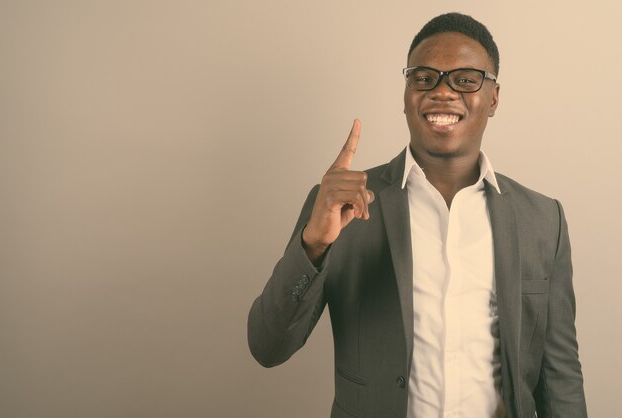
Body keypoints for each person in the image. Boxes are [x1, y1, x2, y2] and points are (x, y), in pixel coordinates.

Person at [247, 12, 587, 418]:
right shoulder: (342, 205)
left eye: (466, 79)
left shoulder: (543, 220)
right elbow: (268, 347)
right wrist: (313, 244)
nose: (443, 92)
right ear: (406, 94)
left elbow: (560, 377)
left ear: (493, 97)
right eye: (424, 78)